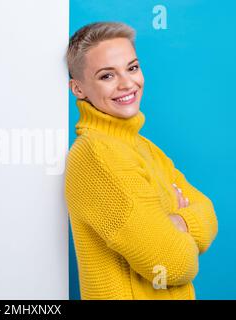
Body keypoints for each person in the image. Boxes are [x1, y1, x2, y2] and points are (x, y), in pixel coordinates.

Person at [64, 21, 218, 300]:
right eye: (107, 76)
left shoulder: (146, 148)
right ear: (78, 89)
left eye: (132, 68)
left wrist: (178, 222)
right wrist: (176, 223)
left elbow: (208, 212)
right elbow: (174, 264)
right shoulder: (95, 156)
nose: (127, 84)